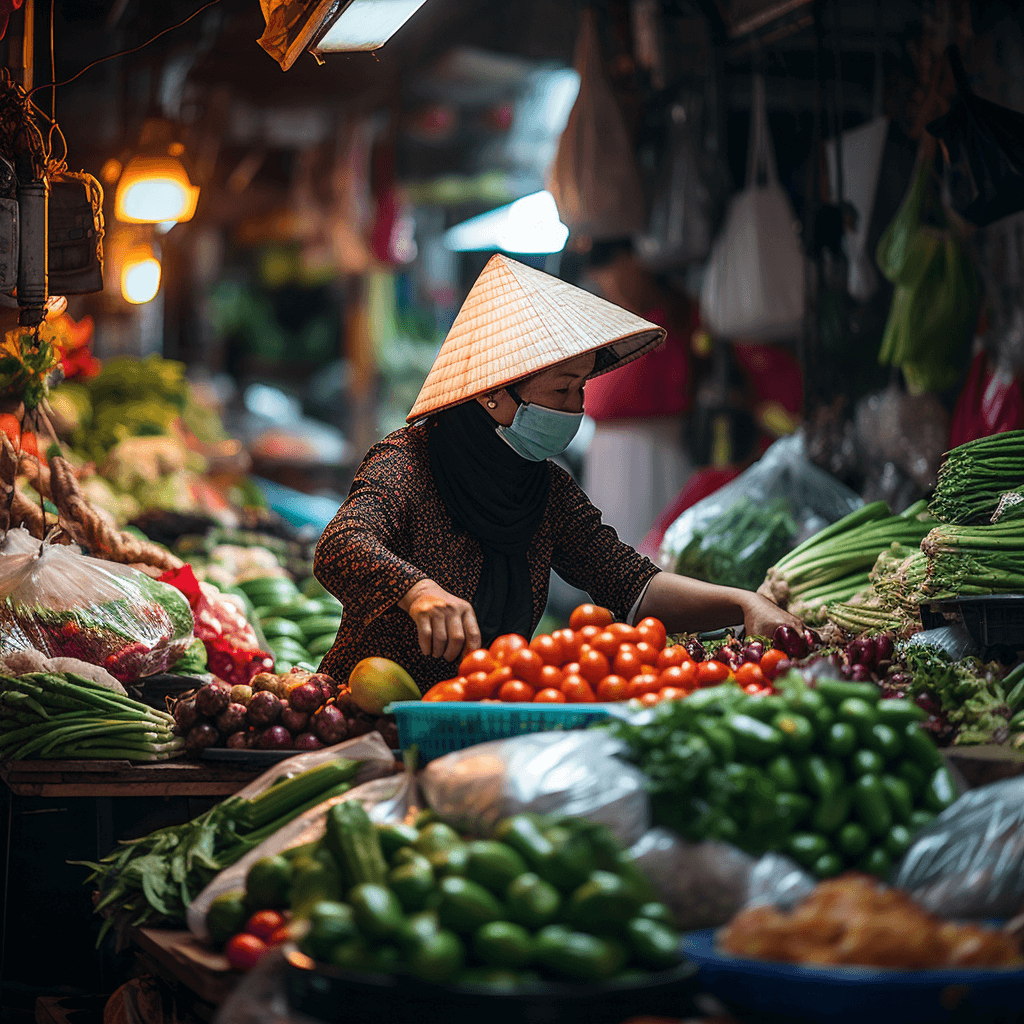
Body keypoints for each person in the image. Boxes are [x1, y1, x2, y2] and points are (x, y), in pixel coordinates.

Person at [314, 255, 800, 692]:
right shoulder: (409, 463)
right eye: (563, 390)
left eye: (581, 389)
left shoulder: (545, 488)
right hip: (364, 721)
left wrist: (742, 603)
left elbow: (633, 584)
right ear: (493, 394)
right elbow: (340, 545)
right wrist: (417, 592)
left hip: (481, 714)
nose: (576, 408)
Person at [582, 241, 694, 548]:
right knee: (612, 540)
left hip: (656, 444)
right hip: (612, 448)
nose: (610, 281)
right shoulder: (606, 317)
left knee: (653, 538)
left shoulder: (673, 314)